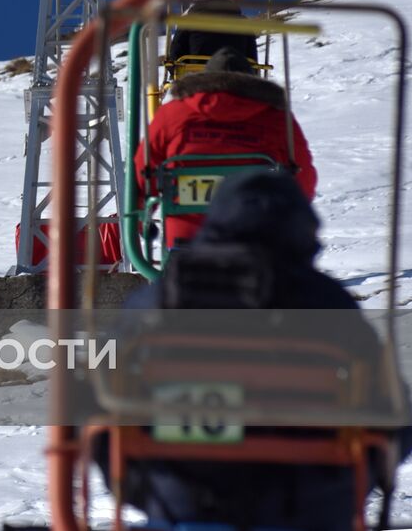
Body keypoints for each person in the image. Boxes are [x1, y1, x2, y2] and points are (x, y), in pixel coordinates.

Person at [98, 170, 410, 531]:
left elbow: (99, 397)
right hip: (308, 507)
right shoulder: (327, 304)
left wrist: (141, 487)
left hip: (177, 500)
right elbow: (390, 413)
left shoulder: (155, 304)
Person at [135, 48, 316, 248]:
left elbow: (144, 168)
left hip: (186, 235)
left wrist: (141, 218)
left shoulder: (172, 113)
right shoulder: (275, 118)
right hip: (254, 235)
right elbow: (302, 172)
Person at [167, 0, 260, 63]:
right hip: (236, 76)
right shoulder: (242, 21)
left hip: (199, 75)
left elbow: (176, 52)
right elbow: (252, 57)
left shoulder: (189, 19)